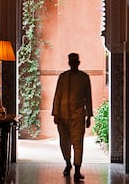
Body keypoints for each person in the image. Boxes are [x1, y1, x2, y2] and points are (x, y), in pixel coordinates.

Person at [52, 53, 93, 182]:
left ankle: (77, 170)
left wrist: (89, 116)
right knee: (64, 143)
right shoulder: (63, 77)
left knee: (78, 144)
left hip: (78, 116)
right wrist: (56, 113)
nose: (73, 64)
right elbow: (57, 95)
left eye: (75, 62)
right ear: (69, 63)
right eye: (72, 62)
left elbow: (88, 97)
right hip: (63, 116)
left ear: (78, 63)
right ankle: (68, 163)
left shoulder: (84, 78)